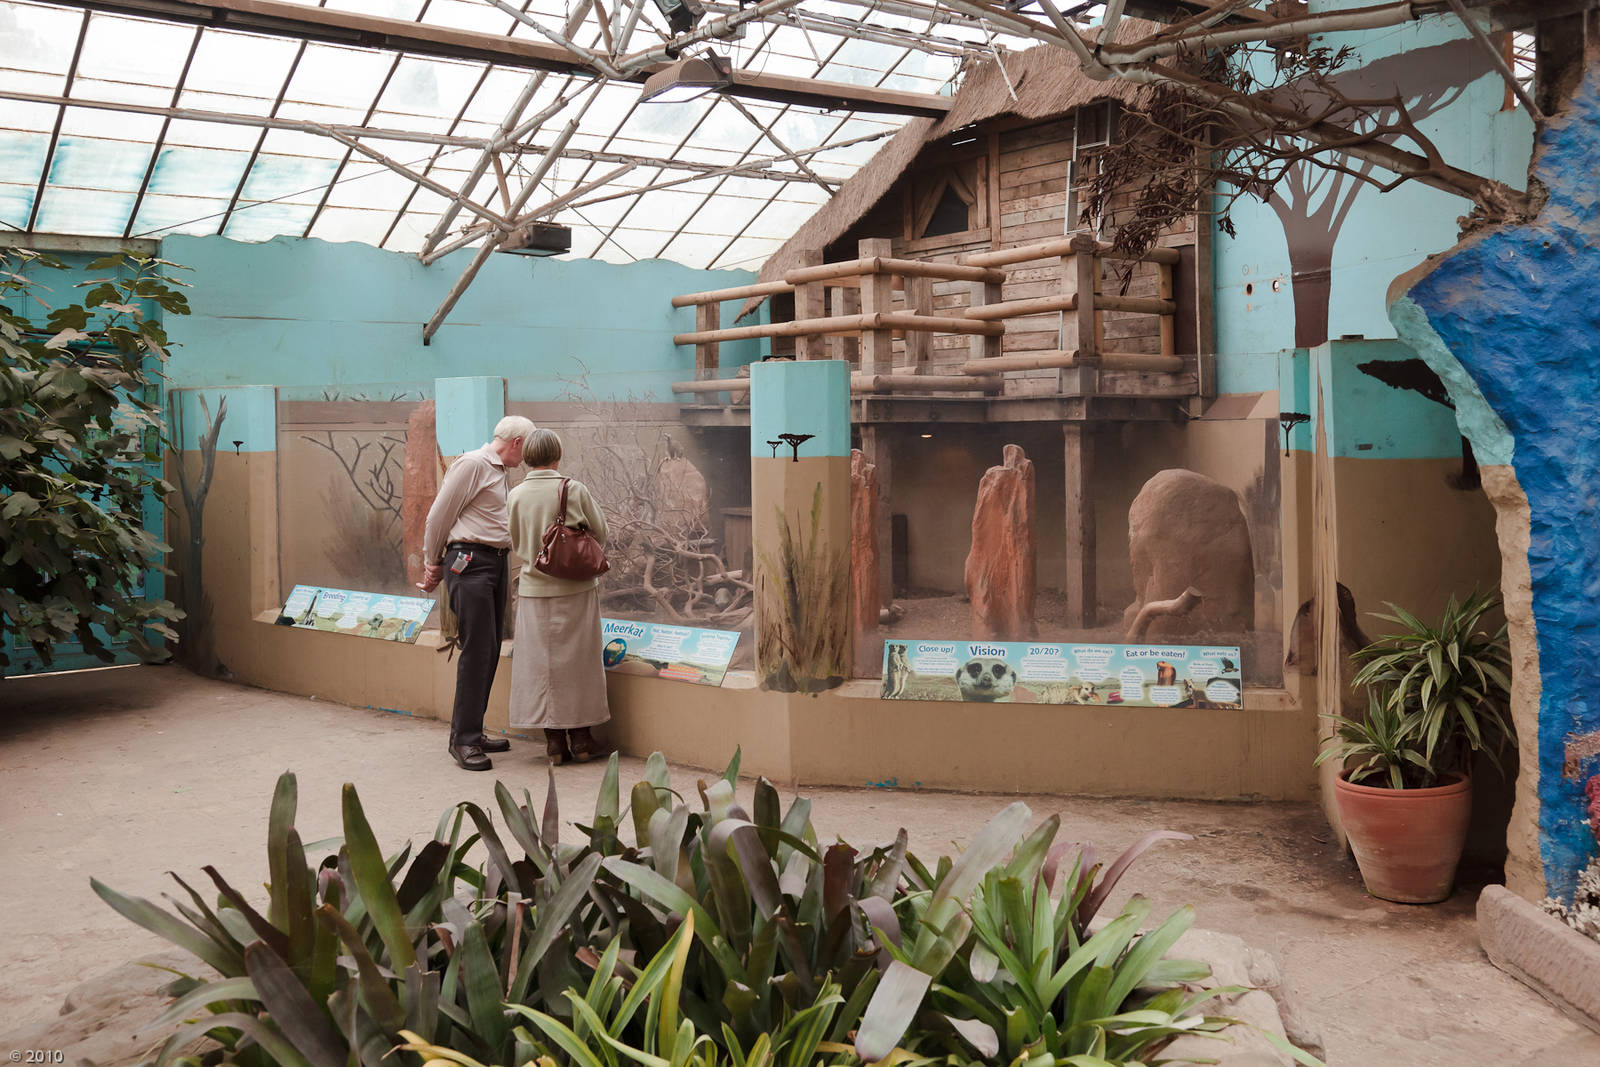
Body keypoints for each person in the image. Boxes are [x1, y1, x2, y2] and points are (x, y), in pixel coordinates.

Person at [419, 414, 535, 771]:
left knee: (489, 648)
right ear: (516, 443)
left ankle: (474, 730)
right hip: (470, 562)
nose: (527, 456)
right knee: (476, 649)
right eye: (526, 448)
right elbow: (439, 516)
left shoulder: (498, 470)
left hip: (496, 561)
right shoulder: (472, 464)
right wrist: (432, 562)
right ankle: (463, 740)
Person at [507, 428, 611, 764]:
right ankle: (581, 741)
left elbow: (512, 538)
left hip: (533, 591)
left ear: (526, 458)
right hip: (576, 590)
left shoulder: (516, 495)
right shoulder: (574, 489)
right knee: (579, 665)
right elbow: (602, 532)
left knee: (540, 667)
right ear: (558, 455)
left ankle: (553, 744)